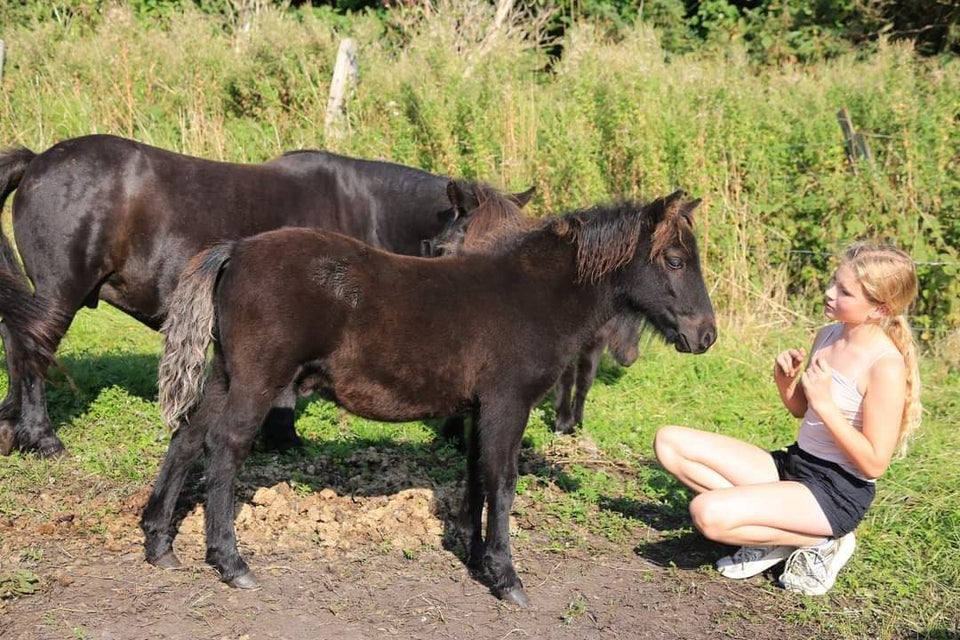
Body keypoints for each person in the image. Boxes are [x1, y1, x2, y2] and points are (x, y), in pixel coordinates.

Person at [654, 242, 922, 595]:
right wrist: (786, 383)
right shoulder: (828, 335)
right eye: (834, 282)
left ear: (879, 309)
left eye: (844, 291)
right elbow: (801, 410)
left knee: (707, 514)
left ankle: (824, 540)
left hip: (835, 491)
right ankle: (776, 530)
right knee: (669, 442)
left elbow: (874, 464)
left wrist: (826, 404)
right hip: (796, 465)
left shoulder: (884, 365)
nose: (829, 293)